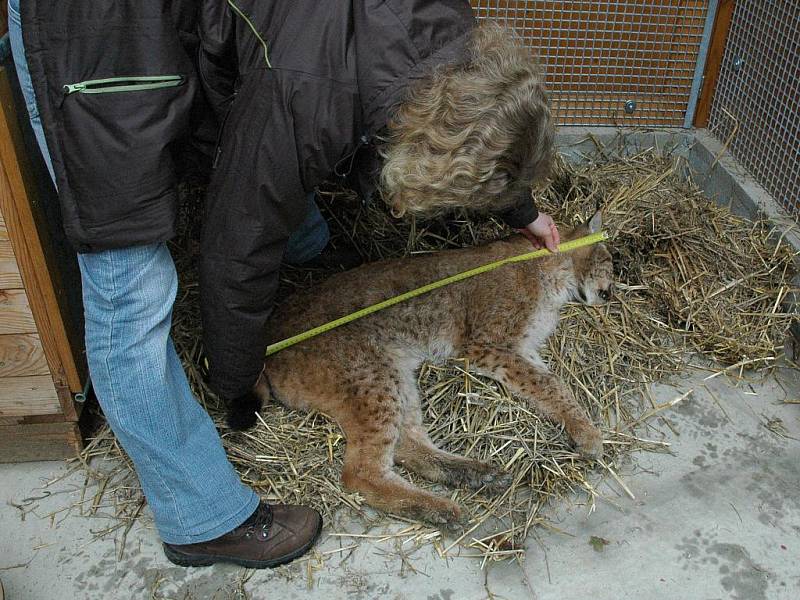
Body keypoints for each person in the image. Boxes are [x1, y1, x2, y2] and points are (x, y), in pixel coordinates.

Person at [10, 0, 558, 569]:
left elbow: (482, 132)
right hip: (94, 43)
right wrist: (240, 379)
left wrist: (521, 211)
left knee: (277, 156)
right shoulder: (308, 87)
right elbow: (236, 248)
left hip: (224, 39)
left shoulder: (448, 36)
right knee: (129, 282)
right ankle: (200, 516)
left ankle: (307, 254)